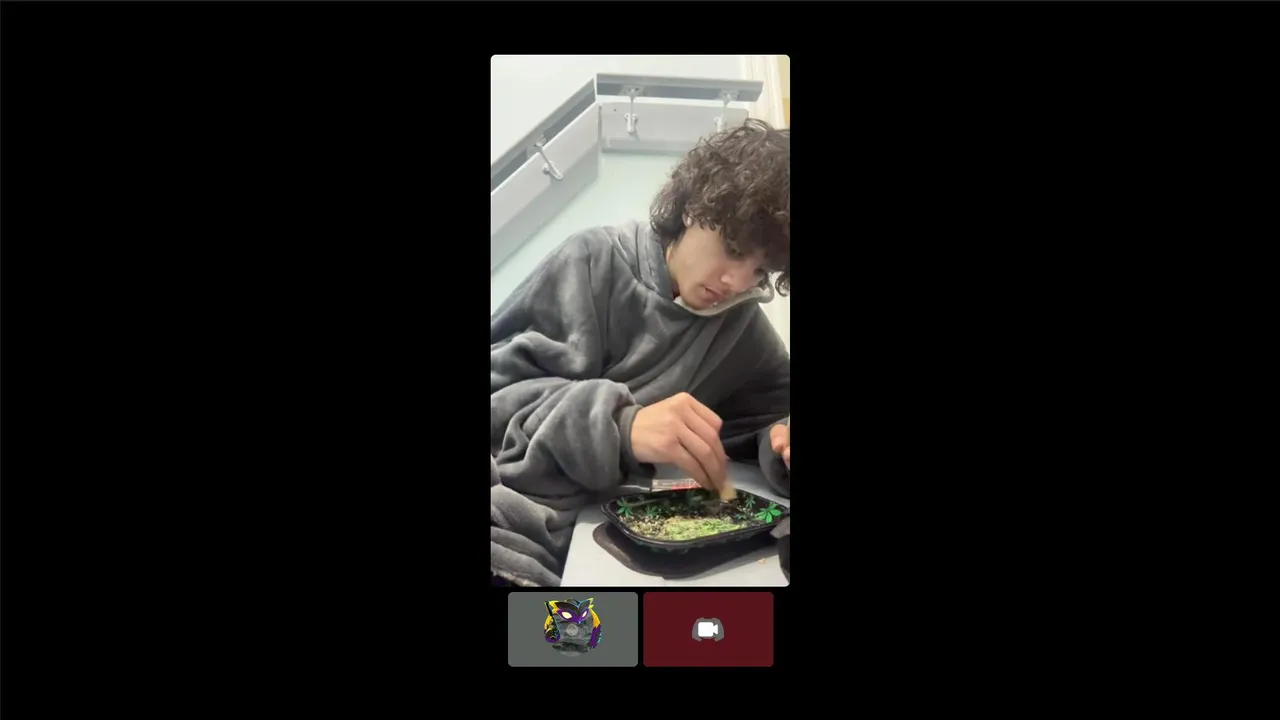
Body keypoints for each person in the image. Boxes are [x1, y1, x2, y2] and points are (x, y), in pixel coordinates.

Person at [490, 118, 791, 586]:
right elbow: (499, 398)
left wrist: (782, 441)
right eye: (732, 249)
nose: (736, 282)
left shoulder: (742, 328)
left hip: (612, 554)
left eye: (760, 271)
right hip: (512, 532)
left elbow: (769, 418)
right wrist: (620, 425)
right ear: (693, 208)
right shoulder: (590, 261)